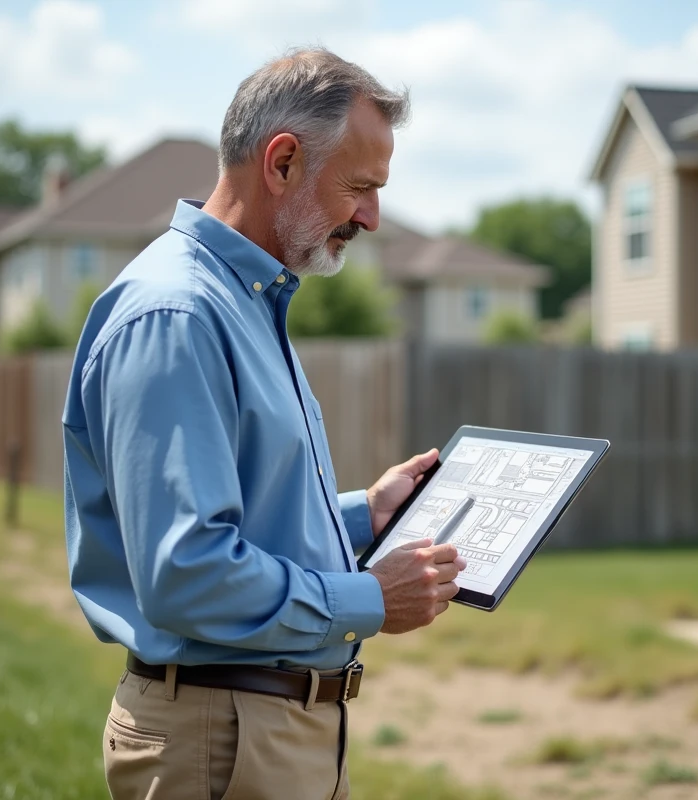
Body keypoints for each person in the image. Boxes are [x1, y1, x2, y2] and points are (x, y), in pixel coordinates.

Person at [61, 48, 465, 799]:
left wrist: (362, 515)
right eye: (361, 188)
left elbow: (238, 521)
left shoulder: (243, 301)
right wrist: (371, 598)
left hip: (263, 732)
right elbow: (187, 572)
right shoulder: (178, 314)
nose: (373, 217)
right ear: (281, 162)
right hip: (221, 741)